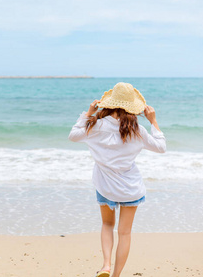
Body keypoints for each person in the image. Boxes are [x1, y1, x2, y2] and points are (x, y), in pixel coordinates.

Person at [68, 82, 166, 277]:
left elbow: (73, 136)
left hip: (105, 186)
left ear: (109, 104)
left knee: (107, 225)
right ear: (133, 107)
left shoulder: (94, 125)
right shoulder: (137, 129)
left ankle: (106, 265)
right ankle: (116, 275)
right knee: (124, 233)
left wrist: (87, 113)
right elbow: (161, 147)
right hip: (130, 188)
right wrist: (153, 121)